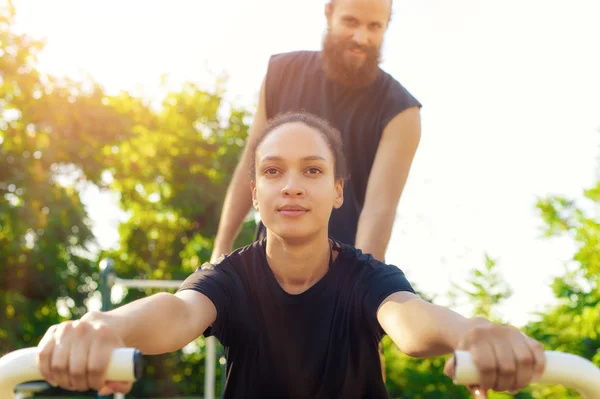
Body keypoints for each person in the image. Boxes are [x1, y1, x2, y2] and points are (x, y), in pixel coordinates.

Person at [36, 112, 545, 399]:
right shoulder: (233, 277)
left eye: (313, 171)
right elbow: (176, 311)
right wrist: (105, 325)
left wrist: (471, 331)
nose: (293, 187)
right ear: (255, 194)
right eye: (274, 172)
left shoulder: (366, 277)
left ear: (339, 192)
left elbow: (411, 324)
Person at [211, 0, 422, 264]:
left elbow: (378, 211)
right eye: (351, 22)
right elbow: (250, 166)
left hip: (342, 271)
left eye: (374, 26)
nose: (361, 37)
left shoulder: (402, 112)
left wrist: (361, 290)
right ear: (329, 14)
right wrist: (219, 252)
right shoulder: (281, 73)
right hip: (269, 266)